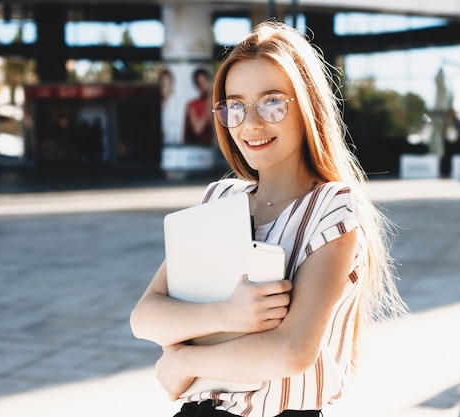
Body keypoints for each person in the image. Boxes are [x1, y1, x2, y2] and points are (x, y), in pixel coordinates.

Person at [130, 20, 407, 417]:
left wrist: (184, 361)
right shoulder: (220, 197)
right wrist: (227, 313)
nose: (251, 123)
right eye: (236, 106)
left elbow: (291, 352)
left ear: (307, 105)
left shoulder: (334, 206)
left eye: (272, 102)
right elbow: (145, 318)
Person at [183, 67, 214, 145]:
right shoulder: (192, 105)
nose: (203, 86)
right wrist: (208, 104)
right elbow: (198, 130)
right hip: (198, 147)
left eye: (205, 81)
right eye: (199, 83)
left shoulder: (219, 102)